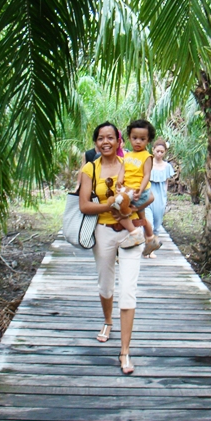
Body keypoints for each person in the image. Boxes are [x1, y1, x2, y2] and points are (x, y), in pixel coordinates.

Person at [79, 121, 150, 375]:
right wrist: (111, 205)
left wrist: (137, 215)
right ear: (96, 143)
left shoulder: (130, 163)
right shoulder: (90, 168)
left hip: (129, 233)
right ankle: (108, 321)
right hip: (103, 232)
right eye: (100, 138)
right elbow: (85, 206)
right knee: (105, 285)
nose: (105, 142)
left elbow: (145, 197)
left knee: (128, 291)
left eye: (111, 137)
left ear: (120, 141)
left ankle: (125, 352)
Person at [115, 119, 162, 257]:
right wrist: (119, 182)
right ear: (129, 138)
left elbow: (147, 175)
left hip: (138, 191)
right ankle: (150, 238)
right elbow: (123, 170)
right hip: (128, 189)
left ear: (148, 140)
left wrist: (140, 190)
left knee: (118, 208)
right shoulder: (127, 155)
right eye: (134, 138)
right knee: (141, 215)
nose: (138, 142)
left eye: (142, 139)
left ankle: (134, 235)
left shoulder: (147, 156)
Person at [144, 138, 175, 258]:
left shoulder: (166, 166)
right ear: (153, 150)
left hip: (160, 198)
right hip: (148, 197)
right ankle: (147, 245)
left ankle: (151, 250)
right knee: (148, 223)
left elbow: (166, 183)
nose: (159, 154)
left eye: (162, 152)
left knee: (157, 224)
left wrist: (165, 197)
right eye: (157, 151)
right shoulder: (148, 163)